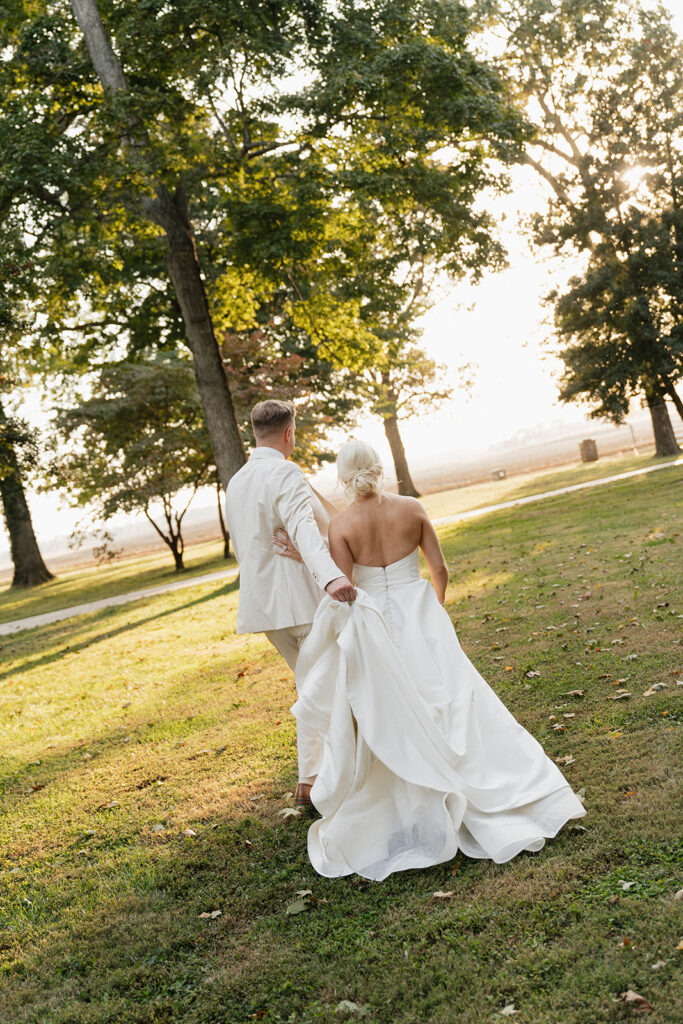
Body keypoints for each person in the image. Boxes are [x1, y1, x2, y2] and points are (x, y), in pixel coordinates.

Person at [281, 439, 586, 880]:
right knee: (454, 697)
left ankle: (410, 798)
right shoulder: (412, 508)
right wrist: (434, 609)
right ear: (379, 468)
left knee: (389, 707)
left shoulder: (342, 525)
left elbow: (343, 588)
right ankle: (486, 783)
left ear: (343, 478)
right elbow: (440, 569)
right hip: (421, 614)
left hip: (375, 628)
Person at [224, 400, 356, 810]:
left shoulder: (237, 482)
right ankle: (336, 782)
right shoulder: (285, 471)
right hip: (301, 604)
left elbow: (241, 546)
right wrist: (331, 576)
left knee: (310, 686)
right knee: (331, 688)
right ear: (288, 434)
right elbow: (302, 528)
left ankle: (309, 783)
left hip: (264, 610)